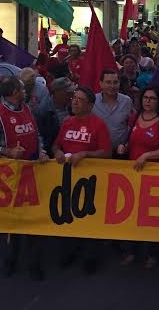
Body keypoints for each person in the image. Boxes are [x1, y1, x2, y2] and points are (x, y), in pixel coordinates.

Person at [0, 76, 48, 280]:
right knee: (13, 224)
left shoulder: (26, 109)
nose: (25, 91)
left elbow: (37, 134)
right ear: (14, 92)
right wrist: (6, 151)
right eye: (22, 89)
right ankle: (11, 261)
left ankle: (34, 263)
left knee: (36, 221)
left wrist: (41, 150)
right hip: (11, 177)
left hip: (33, 173)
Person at [52, 86, 111, 273]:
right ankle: (69, 251)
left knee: (89, 218)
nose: (75, 102)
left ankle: (90, 256)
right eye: (74, 98)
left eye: (80, 99)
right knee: (68, 216)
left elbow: (107, 152)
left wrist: (85, 154)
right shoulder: (67, 122)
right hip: (68, 180)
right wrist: (58, 151)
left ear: (91, 105)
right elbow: (55, 145)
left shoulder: (98, 124)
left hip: (91, 182)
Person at [117, 85, 159, 269]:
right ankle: (132, 250)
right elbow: (130, 141)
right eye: (146, 98)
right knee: (131, 213)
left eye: (152, 98)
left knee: (150, 216)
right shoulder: (135, 118)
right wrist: (123, 148)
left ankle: (152, 253)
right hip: (133, 174)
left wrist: (147, 156)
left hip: (153, 176)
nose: (148, 101)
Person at [92, 69, 133, 154]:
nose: (112, 86)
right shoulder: (92, 101)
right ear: (101, 84)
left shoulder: (127, 101)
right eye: (108, 82)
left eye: (115, 82)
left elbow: (132, 124)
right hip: (98, 152)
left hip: (120, 153)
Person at [36, 77, 75, 153]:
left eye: (72, 91)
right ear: (57, 92)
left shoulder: (72, 104)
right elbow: (43, 137)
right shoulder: (44, 111)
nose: (71, 94)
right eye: (68, 92)